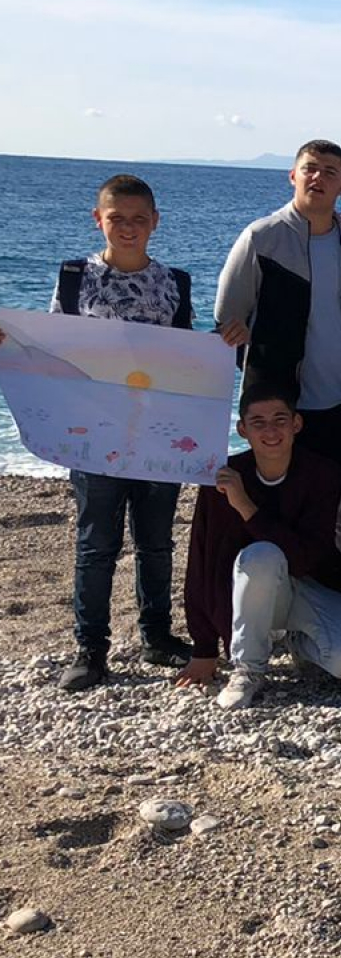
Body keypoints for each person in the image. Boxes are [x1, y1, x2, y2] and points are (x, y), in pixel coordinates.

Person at [43, 174, 198, 690]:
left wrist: (227, 346)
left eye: (138, 219)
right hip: (94, 437)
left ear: (155, 221)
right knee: (96, 544)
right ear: (98, 220)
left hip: (158, 436)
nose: (128, 228)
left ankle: (156, 636)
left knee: (156, 543)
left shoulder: (176, 282)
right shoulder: (73, 277)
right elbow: (49, 354)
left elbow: (187, 364)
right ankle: (91, 649)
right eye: (117, 219)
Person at [215, 140, 341, 553]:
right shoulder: (262, 238)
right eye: (309, 168)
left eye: (329, 171)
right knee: (280, 504)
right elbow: (229, 319)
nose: (317, 177)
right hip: (281, 406)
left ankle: (336, 599)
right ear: (293, 175)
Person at [176, 382, 341, 709]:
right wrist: (204, 648)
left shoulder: (323, 474)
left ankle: (293, 640)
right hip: (249, 586)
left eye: (280, 420)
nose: (271, 431)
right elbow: (202, 561)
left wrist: (247, 508)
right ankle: (248, 670)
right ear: (242, 429)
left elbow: (308, 558)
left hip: (306, 583)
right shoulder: (225, 477)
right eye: (258, 422)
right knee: (263, 555)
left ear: (296, 424)